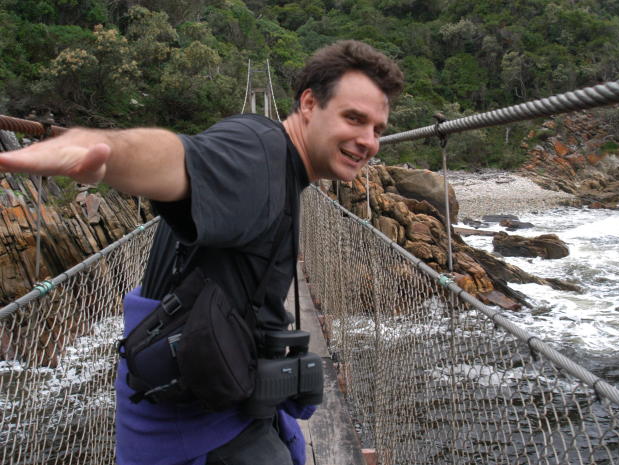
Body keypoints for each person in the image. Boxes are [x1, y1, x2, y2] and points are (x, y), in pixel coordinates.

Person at [0, 40, 403, 464]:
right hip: (199, 437)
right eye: (353, 118)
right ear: (308, 103)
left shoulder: (275, 160)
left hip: (194, 409)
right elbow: (181, 158)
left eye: (378, 129)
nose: (368, 141)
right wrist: (110, 154)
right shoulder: (258, 155)